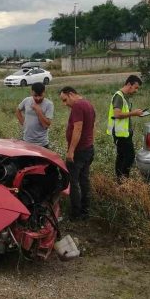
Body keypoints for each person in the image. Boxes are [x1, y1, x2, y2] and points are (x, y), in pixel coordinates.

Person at [59, 86, 96, 220]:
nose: (65, 104)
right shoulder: (88, 104)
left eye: (64, 100)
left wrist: (71, 151)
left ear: (71, 94)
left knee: (73, 182)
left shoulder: (78, 106)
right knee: (84, 180)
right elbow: (92, 127)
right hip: (88, 149)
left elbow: (78, 129)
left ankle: (75, 214)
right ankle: (85, 211)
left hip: (79, 151)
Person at [107, 75, 143, 179]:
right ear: (129, 84)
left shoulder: (124, 97)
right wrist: (134, 113)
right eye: (135, 87)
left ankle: (120, 180)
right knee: (129, 157)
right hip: (120, 134)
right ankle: (124, 180)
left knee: (121, 157)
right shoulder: (119, 96)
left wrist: (134, 113)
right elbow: (117, 114)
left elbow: (124, 114)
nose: (136, 90)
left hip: (124, 133)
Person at [15, 82, 54, 148]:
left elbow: (45, 125)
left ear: (44, 92)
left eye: (40, 96)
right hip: (27, 141)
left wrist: (38, 110)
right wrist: (23, 123)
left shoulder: (49, 104)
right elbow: (18, 110)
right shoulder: (26, 100)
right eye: (35, 96)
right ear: (32, 92)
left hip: (42, 144)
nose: (38, 98)